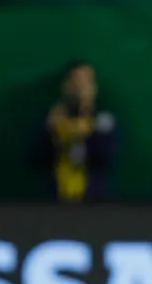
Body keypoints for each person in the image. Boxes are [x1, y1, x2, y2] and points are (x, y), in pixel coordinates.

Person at [31, 60, 118, 202]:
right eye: (75, 81)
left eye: (85, 82)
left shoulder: (104, 120)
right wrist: (51, 131)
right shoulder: (53, 120)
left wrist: (82, 130)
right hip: (54, 202)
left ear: (94, 87)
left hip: (94, 202)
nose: (80, 87)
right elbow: (35, 159)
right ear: (65, 87)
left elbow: (107, 157)